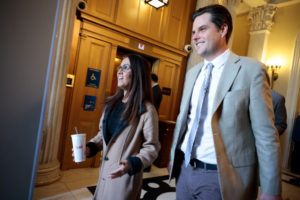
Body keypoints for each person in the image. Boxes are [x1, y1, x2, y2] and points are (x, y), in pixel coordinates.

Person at [168, 4, 282, 200]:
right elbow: (184, 120)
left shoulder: (251, 70)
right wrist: (174, 157)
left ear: (223, 29)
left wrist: (271, 189)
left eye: (202, 29)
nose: (195, 36)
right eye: (194, 31)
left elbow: (266, 134)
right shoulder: (192, 73)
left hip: (222, 178)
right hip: (185, 171)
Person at [80, 54, 161, 200]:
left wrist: (132, 164)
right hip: (104, 175)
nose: (119, 71)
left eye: (125, 67)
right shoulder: (111, 104)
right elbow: (102, 135)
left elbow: (152, 147)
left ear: (138, 74)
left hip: (125, 178)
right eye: (119, 67)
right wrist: (90, 147)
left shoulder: (147, 110)